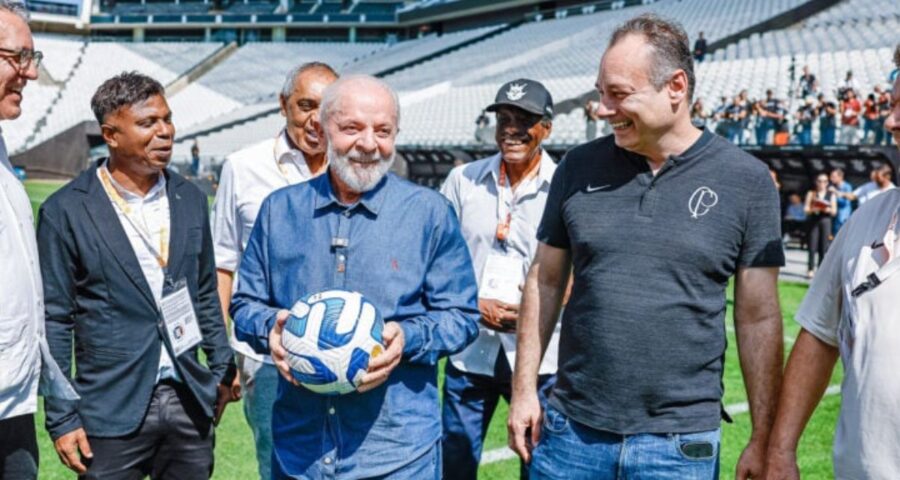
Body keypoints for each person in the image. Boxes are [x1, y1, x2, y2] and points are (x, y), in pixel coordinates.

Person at [508, 14, 785, 480]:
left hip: (680, 447)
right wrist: (523, 390)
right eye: (601, 92)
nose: (602, 108)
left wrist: (764, 438)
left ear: (675, 86)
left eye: (618, 93)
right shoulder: (577, 168)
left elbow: (758, 315)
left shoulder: (747, 181)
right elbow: (545, 278)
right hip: (570, 432)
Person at [230, 74, 480, 479]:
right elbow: (245, 304)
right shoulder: (280, 211)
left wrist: (408, 338)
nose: (368, 143)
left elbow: (462, 317)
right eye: (352, 128)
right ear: (323, 129)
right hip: (300, 452)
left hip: (396, 455)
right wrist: (269, 330)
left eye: (383, 131)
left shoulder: (428, 214)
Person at [38, 72, 236, 479]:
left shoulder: (190, 197)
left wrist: (220, 366)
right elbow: (55, 318)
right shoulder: (66, 210)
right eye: (148, 123)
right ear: (111, 135)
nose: (165, 131)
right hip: (110, 407)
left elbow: (202, 292)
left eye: (167, 119)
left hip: (187, 399)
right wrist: (61, 416)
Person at [764, 44, 900, 480]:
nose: (890, 122)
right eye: (893, 106)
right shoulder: (869, 215)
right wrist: (781, 451)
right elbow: (820, 336)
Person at [211, 61, 337, 480]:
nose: (316, 119)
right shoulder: (243, 167)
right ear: (283, 105)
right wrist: (220, 356)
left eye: (328, 107)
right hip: (266, 355)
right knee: (277, 464)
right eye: (305, 105)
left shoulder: (356, 167)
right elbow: (223, 265)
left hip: (344, 351)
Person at [439, 78, 560, 480]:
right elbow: (437, 257)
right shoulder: (464, 180)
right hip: (470, 347)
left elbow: (579, 267)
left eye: (523, 119)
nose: (511, 128)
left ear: (546, 127)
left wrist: (533, 312)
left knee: (537, 462)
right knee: (453, 463)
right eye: (503, 117)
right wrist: (471, 305)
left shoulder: (564, 186)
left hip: (541, 356)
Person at [0, 3, 66, 479]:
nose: (29, 73)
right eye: (16, 57)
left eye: (31, 57)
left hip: (13, 400)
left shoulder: (2, 149)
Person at [803, 173, 837, 278]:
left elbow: (834, 211)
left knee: (824, 246)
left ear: (827, 183)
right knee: (812, 245)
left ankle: (821, 270)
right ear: (816, 182)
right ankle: (810, 269)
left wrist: (827, 209)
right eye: (820, 181)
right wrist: (814, 209)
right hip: (814, 220)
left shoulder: (831, 194)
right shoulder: (811, 193)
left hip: (825, 220)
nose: (822, 183)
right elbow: (806, 209)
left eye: (824, 181)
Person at [828, 168, 853, 235]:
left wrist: (835, 192)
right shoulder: (833, 186)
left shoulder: (847, 186)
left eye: (833, 177)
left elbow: (848, 199)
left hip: (844, 216)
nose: (831, 179)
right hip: (835, 216)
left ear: (840, 177)